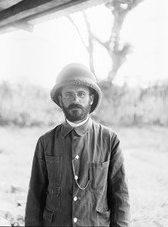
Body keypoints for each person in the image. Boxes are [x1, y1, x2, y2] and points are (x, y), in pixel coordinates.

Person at [25, 63, 130, 227]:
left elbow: (120, 194)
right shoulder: (45, 142)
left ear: (91, 99)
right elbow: (35, 196)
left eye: (81, 94)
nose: (75, 100)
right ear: (60, 99)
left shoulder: (109, 140)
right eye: (68, 94)